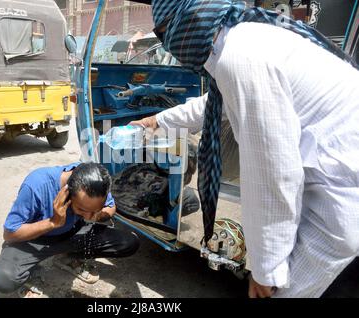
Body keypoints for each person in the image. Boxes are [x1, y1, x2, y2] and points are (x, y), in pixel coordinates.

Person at [131, 0, 359, 298]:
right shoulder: (243, 41)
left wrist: (266, 268)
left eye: (164, 35)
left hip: (338, 193)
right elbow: (212, 104)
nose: (170, 47)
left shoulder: (240, 58)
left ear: (188, 21)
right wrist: (156, 119)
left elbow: (272, 176)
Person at [0, 162, 140, 298]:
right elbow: (9, 234)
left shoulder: (95, 181)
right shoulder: (37, 185)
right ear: (67, 193)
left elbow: (111, 207)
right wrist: (52, 223)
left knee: (129, 243)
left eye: (93, 210)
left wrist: (98, 215)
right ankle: (29, 275)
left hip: (74, 233)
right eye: (82, 209)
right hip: (35, 240)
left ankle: (68, 257)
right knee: (4, 279)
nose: (88, 216)